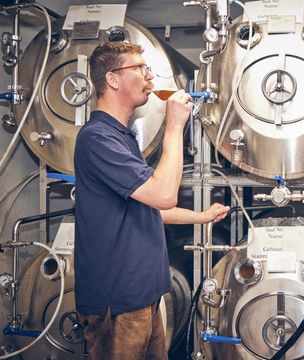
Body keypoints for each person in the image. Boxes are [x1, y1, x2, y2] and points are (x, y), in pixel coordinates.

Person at [74, 42, 229, 360]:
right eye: (140, 69)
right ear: (114, 79)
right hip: (117, 300)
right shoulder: (97, 138)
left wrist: (201, 216)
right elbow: (162, 195)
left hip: (142, 294)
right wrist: (174, 126)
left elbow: (146, 210)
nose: (149, 77)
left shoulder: (122, 136)